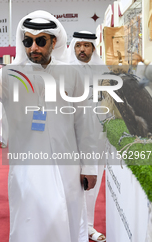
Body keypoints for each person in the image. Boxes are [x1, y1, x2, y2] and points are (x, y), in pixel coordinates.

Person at [0, 10, 98, 242]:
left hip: (67, 167)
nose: (33, 47)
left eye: (40, 41)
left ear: (54, 41)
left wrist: (89, 166)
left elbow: (85, 124)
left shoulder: (72, 75)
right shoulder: (8, 76)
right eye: (28, 41)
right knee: (29, 223)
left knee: (67, 220)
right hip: (27, 168)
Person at [67, 31, 107, 242]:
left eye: (86, 45)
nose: (82, 49)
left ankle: (89, 226)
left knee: (92, 184)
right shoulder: (64, 71)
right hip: (70, 138)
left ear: (93, 48)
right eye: (78, 45)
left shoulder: (103, 72)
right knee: (71, 185)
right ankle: (72, 227)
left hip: (96, 139)